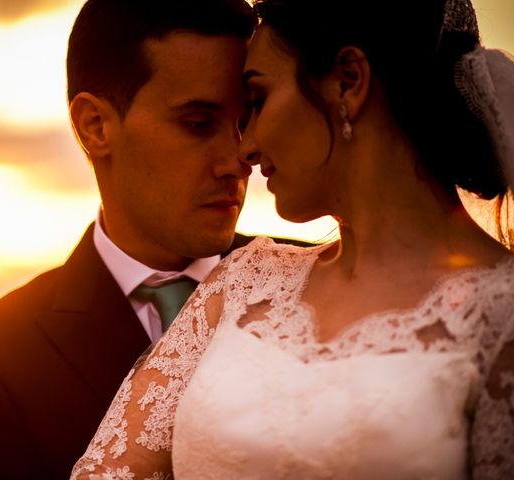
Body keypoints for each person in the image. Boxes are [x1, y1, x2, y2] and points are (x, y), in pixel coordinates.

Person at [71, 0, 514, 478]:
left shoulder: (502, 311)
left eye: (257, 101)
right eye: (202, 124)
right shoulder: (245, 282)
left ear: (348, 80)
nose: (246, 148)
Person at [0, 1, 310, 478]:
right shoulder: (1, 348)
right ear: (95, 125)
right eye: (198, 124)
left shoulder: (319, 277)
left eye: (245, 121)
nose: (238, 158)